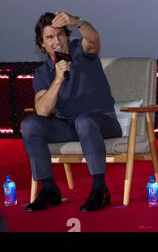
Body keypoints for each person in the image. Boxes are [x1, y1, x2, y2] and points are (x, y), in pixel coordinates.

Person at [21, 12, 122, 212]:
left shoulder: (81, 51)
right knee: (30, 124)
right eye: (49, 37)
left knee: (84, 121)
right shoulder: (42, 73)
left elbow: (93, 38)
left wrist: (77, 21)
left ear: (67, 36)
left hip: (102, 122)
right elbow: (42, 111)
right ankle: (49, 189)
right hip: (67, 125)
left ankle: (100, 189)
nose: (56, 41)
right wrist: (58, 79)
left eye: (60, 34)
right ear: (42, 44)